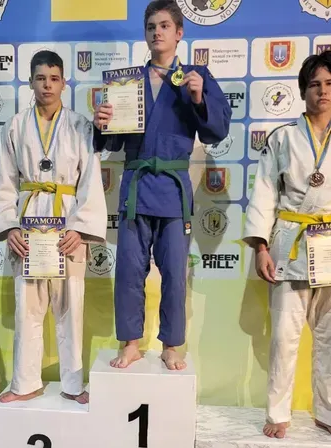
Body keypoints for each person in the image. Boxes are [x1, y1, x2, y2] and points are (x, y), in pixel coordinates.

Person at [242, 51, 331, 442]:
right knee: (284, 337)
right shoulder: (282, 138)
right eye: (315, 84)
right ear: (303, 91)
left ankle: (328, 413)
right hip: (291, 241)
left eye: (329, 84)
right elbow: (264, 193)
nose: (323, 91)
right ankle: (278, 412)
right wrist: (261, 247)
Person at [93, 0, 231, 371]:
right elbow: (111, 142)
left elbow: (216, 131)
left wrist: (199, 98)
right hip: (136, 186)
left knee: (174, 272)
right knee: (129, 271)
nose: (158, 32)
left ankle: (171, 344)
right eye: (152, 26)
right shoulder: (127, 82)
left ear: (179, 33)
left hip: (172, 188)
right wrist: (102, 123)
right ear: (145, 34)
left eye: (165, 26)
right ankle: (130, 343)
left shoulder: (195, 77)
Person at [0, 50, 106, 404]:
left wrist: (81, 229)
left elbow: (91, 181)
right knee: (28, 309)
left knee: (71, 308)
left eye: (54, 78)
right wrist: (10, 227)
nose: (47, 85)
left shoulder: (81, 126)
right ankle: (25, 383)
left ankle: (73, 384)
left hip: (67, 226)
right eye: (40, 78)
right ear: (30, 82)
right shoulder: (15, 126)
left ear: (64, 83)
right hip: (29, 227)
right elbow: (4, 181)